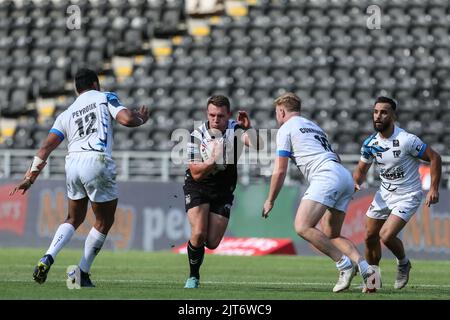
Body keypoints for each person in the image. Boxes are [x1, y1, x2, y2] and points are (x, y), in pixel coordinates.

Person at [10, 68, 149, 287]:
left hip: (73, 163)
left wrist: (30, 177)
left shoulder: (66, 113)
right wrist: (141, 117)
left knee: (73, 218)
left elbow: (46, 147)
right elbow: (126, 119)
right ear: (95, 84)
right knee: (104, 220)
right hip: (97, 160)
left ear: (77, 88)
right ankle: (81, 273)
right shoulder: (105, 97)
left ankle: (48, 256)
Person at [261, 92, 374, 292]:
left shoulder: (286, 128)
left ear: (281, 111)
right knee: (332, 234)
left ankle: (344, 265)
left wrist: (270, 199)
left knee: (302, 226)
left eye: (276, 113)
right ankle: (368, 271)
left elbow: (280, 169)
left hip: (326, 176)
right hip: (342, 174)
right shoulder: (314, 126)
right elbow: (334, 154)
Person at [353, 96, 441, 291]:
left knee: (385, 235)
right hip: (384, 194)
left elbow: (435, 158)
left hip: (408, 194)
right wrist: (355, 184)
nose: (378, 116)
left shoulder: (406, 140)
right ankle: (373, 282)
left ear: (393, 115)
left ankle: (403, 263)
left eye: (384, 112)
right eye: (376, 112)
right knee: (369, 236)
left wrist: (434, 188)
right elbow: (361, 170)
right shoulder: (370, 143)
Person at [183, 95, 261, 288]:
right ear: (206, 114)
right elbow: (196, 173)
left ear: (228, 115)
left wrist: (249, 128)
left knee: (212, 242)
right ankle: (193, 277)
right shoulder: (196, 135)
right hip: (198, 186)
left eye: (220, 116)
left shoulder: (235, 129)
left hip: (223, 189)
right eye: (212, 115)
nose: (216, 119)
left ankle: (196, 263)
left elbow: (259, 145)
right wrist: (212, 160)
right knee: (199, 233)